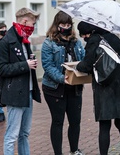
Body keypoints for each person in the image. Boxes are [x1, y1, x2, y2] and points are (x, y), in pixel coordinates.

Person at [76, 21, 120, 155]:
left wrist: (77, 66)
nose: (83, 38)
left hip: (104, 87)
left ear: (88, 33)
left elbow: (87, 65)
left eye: (83, 35)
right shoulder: (114, 38)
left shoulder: (94, 41)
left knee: (104, 125)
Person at [0, 7, 41, 154]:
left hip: (28, 91)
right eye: (33, 24)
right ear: (25, 21)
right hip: (14, 94)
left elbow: (24, 61)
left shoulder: (24, 39)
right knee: (12, 135)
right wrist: (24, 65)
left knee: (24, 133)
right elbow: (0, 68)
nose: (33, 28)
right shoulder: (6, 41)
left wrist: (30, 61)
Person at [41, 11, 85, 155]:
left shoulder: (77, 42)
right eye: (63, 24)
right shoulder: (49, 43)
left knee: (75, 121)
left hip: (74, 87)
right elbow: (47, 66)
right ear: (56, 25)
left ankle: (74, 149)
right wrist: (62, 78)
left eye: (68, 25)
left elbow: (83, 60)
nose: (66, 27)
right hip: (54, 88)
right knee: (58, 121)